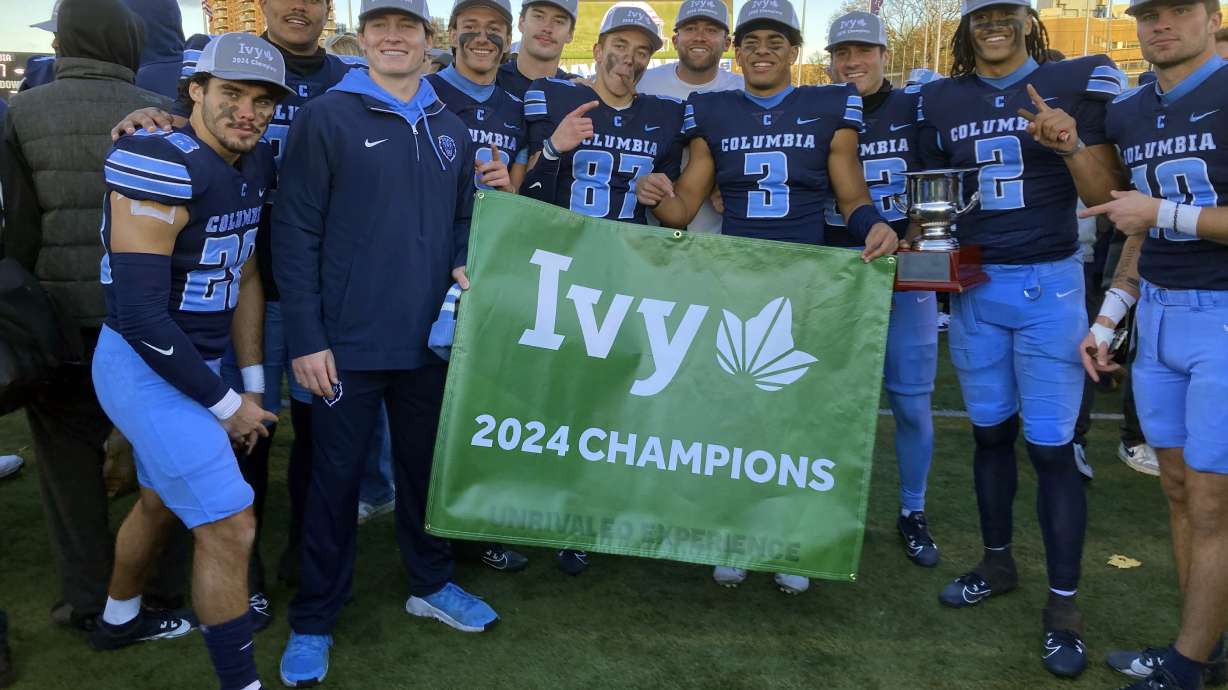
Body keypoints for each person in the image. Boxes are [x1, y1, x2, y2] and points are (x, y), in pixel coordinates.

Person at [638, 0, 898, 596]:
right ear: (737, 49)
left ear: (794, 52)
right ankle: (732, 529)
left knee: (798, 420)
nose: (762, 49)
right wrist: (656, 193)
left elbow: (852, 199)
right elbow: (683, 209)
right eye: (751, 39)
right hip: (737, 282)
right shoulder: (711, 110)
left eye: (775, 41)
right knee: (734, 416)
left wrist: (875, 227)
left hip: (807, 281)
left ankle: (792, 535)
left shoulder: (829, 105)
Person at [273, 0, 497, 685]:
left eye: (407, 28)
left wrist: (465, 266)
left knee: (425, 475)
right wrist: (308, 338)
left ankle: (429, 582)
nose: (393, 38)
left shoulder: (452, 126)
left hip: (428, 344)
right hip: (343, 348)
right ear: (363, 38)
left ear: (430, 40)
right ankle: (315, 616)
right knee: (332, 487)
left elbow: (467, 221)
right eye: (380, 28)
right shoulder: (326, 116)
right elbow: (296, 232)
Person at [114, 0, 367, 603]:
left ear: (329, 8)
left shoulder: (350, 81)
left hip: (321, 291)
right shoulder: (220, 64)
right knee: (242, 432)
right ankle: (238, 572)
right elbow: (181, 126)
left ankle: (304, 560)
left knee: (319, 435)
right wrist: (149, 113)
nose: (299, 6)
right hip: (231, 291)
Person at [914, 0, 1125, 677]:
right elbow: (928, 200)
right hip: (976, 284)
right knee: (989, 434)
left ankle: (1064, 605)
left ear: (1028, 20)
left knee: (1052, 448)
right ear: (966, 26)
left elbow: (1106, 196)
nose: (993, 24)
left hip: (1051, 284)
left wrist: (1071, 146)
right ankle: (997, 560)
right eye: (981, 15)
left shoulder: (1077, 79)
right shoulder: (940, 98)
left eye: (1006, 12)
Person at [1033, 0, 1228, 686]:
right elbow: (1134, 227)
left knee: (1212, 503)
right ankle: (1201, 645)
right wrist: (1109, 314)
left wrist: (1166, 212)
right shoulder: (1132, 111)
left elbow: (1153, 213)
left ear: (1211, 16)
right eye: (1149, 13)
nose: (1160, 24)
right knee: (1178, 490)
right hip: (1162, 313)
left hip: (1223, 318)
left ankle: (1185, 665)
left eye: (1178, 10)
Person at [90, 31, 286, 690]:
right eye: (231, 92)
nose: (248, 111)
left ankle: (118, 620)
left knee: (158, 502)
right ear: (194, 91)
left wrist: (252, 381)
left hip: (195, 361)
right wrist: (230, 406)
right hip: (142, 364)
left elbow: (245, 271)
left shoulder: (251, 162)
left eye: (262, 100)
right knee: (231, 524)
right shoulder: (155, 156)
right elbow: (143, 317)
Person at [0, 0, 194, 635]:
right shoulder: (164, 112)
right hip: (146, 321)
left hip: (54, 322)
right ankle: (164, 591)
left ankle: (87, 600)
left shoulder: (22, 112)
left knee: (67, 472)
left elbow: (18, 233)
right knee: (158, 462)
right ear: (130, 40)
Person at [824, 11, 941, 569]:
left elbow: (938, 177)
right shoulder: (816, 108)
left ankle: (912, 511)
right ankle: (820, 499)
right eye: (842, 53)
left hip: (903, 271)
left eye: (862, 52)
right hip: (835, 271)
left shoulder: (915, 107)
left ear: (882, 54)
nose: (852, 63)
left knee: (912, 401)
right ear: (829, 59)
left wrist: (915, 233)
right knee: (824, 400)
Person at [423, 0, 534, 573]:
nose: (483, 36)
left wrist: (507, 190)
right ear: (451, 32)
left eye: (496, 28)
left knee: (478, 403)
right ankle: (424, 534)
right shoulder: (421, 91)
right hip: (422, 264)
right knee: (426, 407)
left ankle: (470, 530)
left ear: (509, 39)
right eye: (472, 26)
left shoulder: (517, 104)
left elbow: (516, 190)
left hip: (484, 263)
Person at [521, 6, 684, 231]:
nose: (629, 59)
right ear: (598, 52)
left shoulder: (665, 114)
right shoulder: (556, 96)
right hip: (563, 247)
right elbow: (529, 198)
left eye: (641, 52)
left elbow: (676, 215)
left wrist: (655, 193)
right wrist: (553, 148)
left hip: (627, 251)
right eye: (620, 45)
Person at [635, 0, 743, 234]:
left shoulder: (744, 91)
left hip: (717, 234)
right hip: (647, 231)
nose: (700, 37)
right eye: (691, 28)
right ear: (675, 40)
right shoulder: (643, 82)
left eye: (711, 30)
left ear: (727, 43)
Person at [496, 0, 578, 98]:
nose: (547, 28)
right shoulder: (488, 81)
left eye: (559, 21)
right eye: (539, 16)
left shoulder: (577, 93)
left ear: (570, 34)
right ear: (521, 22)